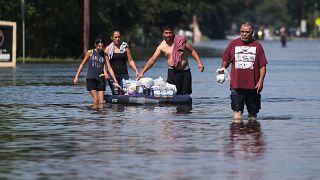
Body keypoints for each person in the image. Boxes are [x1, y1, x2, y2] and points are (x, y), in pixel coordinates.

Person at [219, 22, 268, 122]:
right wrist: (222, 70)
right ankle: (238, 136)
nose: (244, 34)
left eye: (247, 32)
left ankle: (253, 135)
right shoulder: (233, 44)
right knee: (237, 114)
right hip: (236, 86)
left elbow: (262, 66)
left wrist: (261, 81)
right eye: (242, 31)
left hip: (253, 87)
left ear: (252, 33)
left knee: (253, 116)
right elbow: (226, 60)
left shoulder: (257, 46)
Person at [136, 26, 204, 95]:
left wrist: (200, 63)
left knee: (186, 94)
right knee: (173, 93)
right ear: (163, 34)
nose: (168, 35)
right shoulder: (161, 47)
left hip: (185, 71)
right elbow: (152, 60)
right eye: (166, 33)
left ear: (173, 33)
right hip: (173, 72)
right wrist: (142, 73)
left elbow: (192, 51)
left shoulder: (180, 41)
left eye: (170, 33)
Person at [73, 38, 120, 107]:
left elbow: (109, 68)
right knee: (95, 100)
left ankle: (101, 117)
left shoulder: (105, 55)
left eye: (102, 46)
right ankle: (94, 116)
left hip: (101, 80)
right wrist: (76, 76)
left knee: (101, 102)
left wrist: (115, 80)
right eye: (99, 46)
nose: (100, 48)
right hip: (91, 79)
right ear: (96, 45)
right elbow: (82, 64)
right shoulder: (90, 52)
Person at [104, 30, 139, 95]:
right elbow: (105, 64)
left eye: (119, 37)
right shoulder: (108, 49)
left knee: (125, 93)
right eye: (115, 37)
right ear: (111, 38)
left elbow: (130, 60)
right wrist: (105, 73)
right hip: (112, 74)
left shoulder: (125, 47)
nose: (117, 39)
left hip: (124, 74)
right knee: (116, 93)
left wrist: (136, 71)